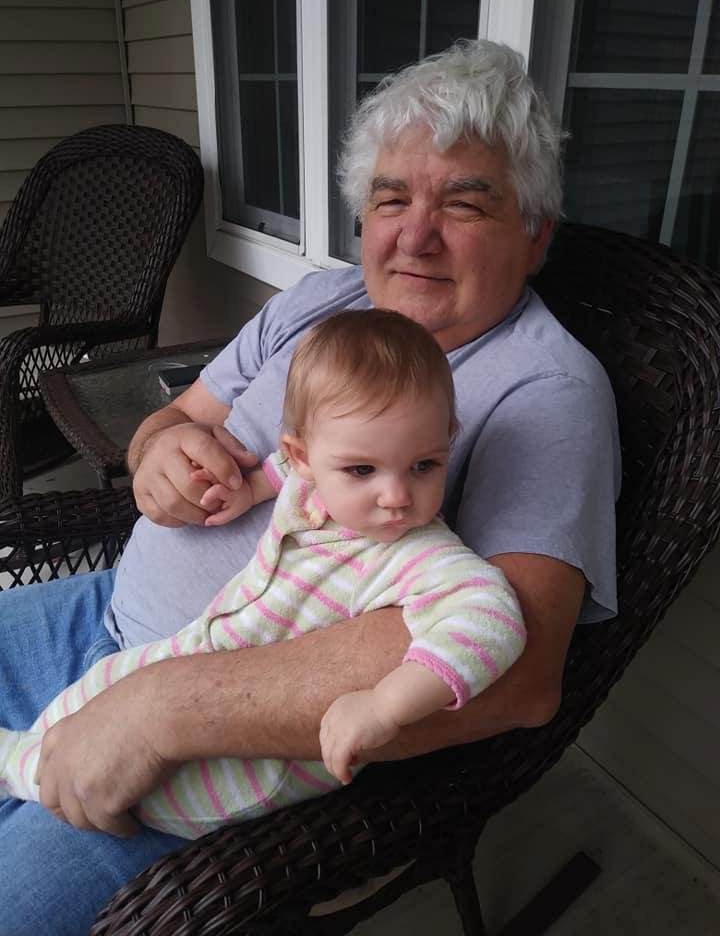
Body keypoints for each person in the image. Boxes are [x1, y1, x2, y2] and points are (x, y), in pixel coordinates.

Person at [0, 39, 620, 933]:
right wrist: (156, 459)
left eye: (463, 202)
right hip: (98, 615)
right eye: (391, 199)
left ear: (535, 234)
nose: (414, 235)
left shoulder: (545, 392)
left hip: (201, 763)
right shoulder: (322, 302)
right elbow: (171, 421)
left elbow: (519, 675)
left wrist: (162, 711)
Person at [0, 310, 525, 837]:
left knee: (82, 773)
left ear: (446, 444)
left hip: (240, 764)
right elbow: (285, 467)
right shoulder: (310, 484)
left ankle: (23, 771)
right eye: (362, 469)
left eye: (425, 465)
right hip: (193, 650)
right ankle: (27, 756)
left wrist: (387, 705)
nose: (396, 496)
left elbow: (492, 619)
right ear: (306, 457)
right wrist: (250, 490)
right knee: (98, 691)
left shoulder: (418, 555)